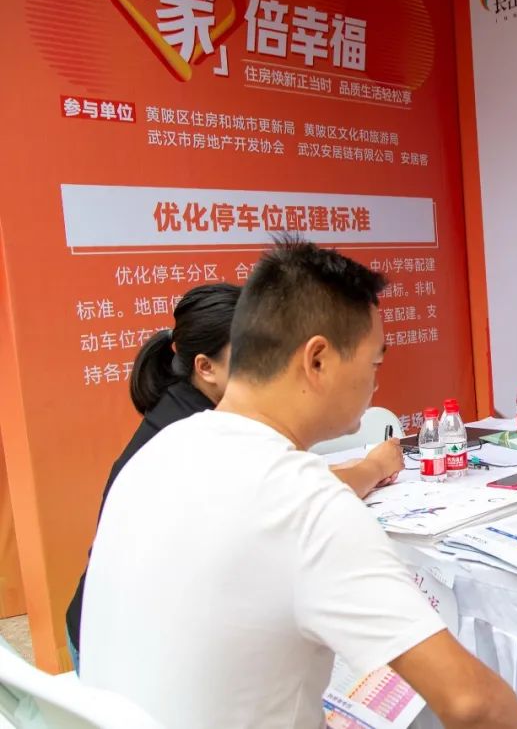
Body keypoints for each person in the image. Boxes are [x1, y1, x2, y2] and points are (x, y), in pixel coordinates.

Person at [80, 239, 517, 729]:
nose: (376, 384)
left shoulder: (157, 452)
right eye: (374, 364)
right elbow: (474, 704)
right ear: (317, 360)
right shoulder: (305, 501)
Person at [66, 283, 403, 670]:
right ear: (205, 368)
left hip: (116, 628)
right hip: (120, 652)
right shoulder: (199, 434)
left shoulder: (183, 412)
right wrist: (374, 467)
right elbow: (299, 492)